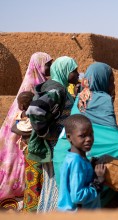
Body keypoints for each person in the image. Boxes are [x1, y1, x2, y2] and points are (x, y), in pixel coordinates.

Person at [53, 62, 118, 207]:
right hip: (82, 160)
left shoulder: (81, 96)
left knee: (70, 202)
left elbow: (102, 132)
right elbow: (113, 141)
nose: (112, 86)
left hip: (62, 156)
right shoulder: (103, 99)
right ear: (101, 80)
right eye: (111, 81)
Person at [26, 56, 80, 212]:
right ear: (64, 71)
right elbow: (35, 110)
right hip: (55, 146)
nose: (77, 74)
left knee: (53, 185)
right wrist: (48, 132)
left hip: (58, 145)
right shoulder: (57, 89)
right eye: (74, 71)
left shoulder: (59, 87)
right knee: (59, 184)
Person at [0, 52, 52, 211]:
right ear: (39, 65)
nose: (50, 67)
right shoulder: (33, 84)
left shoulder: (41, 82)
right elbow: (25, 114)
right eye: (48, 64)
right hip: (25, 135)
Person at [57, 114, 105, 211]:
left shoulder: (73, 158)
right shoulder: (77, 162)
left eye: (91, 134)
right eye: (82, 136)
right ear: (69, 137)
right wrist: (98, 182)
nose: (89, 139)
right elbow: (78, 196)